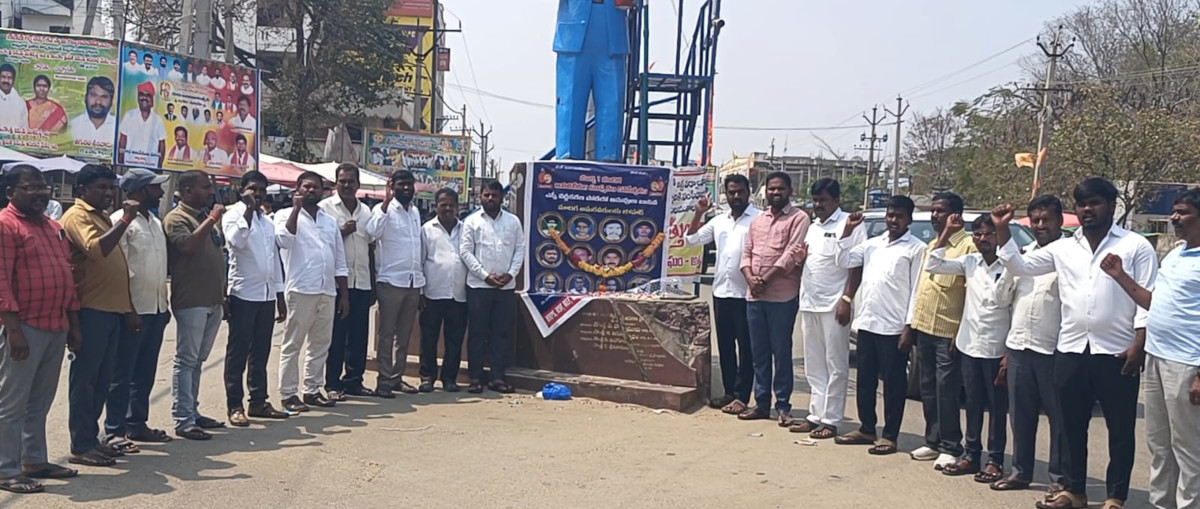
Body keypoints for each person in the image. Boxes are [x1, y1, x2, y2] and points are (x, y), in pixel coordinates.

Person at [993, 177, 1158, 509]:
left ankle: (1115, 496)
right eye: (1082, 204)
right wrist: (1002, 229)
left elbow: (1148, 298)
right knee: (1070, 427)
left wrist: (1139, 344)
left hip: (1117, 351)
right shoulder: (1064, 248)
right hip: (1071, 350)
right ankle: (1074, 491)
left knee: (1120, 430)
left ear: (1111, 206)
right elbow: (1020, 267)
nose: (1087, 209)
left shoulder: (1135, 245)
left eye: (1094, 203)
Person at [1097, 188, 1200, 509]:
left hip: (1188, 364)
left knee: (1189, 446)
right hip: (1157, 357)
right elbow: (1155, 303)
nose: (1174, 218)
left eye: (1183, 212)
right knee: (1160, 443)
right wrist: (1120, 276)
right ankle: (1162, 503)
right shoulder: (1176, 254)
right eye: (1174, 211)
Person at [0, 165, 82, 494]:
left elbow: (67, 274)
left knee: (40, 400)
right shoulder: (6, 225)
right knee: (12, 403)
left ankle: (34, 460)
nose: (40, 193)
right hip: (24, 326)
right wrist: (14, 331)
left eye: (43, 187)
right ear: (11, 193)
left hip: (55, 324)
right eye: (30, 187)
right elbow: (2, 281)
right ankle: (5, 469)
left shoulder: (52, 226)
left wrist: (73, 324)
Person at [833, 197, 927, 455]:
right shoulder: (872, 244)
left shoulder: (917, 248)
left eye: (899, 216)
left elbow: (917, 290)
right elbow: (843, 260)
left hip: (894, 327)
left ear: (909, 219)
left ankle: (889, 435)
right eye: (890, 215)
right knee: (865, 380)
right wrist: (847, 232)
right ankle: (866, 428)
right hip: (868, 322)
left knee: (894, 384)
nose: (893, 220)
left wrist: (909, 327)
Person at [925, 214, 1015, 482]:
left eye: (988, 234)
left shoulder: (1012, 265)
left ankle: (995, 460)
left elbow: (1012, 307)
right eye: (978, 234)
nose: (982, 239)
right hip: (969, 345)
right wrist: (947, 232)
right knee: (973, 404)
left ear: (998, 236)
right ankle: (971, 455)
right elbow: (933, 264)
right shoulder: (970, 262)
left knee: (997, 408)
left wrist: (1009, 353)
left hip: (997, 347)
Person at [59, 164, 136, 467]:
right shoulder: (77, 215)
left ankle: (91, 440)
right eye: (101, 187)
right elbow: (95, 249)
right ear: (83, 190)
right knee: (86, 380)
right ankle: (81, 444)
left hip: (111, 310)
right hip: (90, 309)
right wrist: (125, 219)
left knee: (103, 380)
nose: (108, 193)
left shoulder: (102, 216)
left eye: (111, 187)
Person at [990, 195, 1067, 495]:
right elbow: (1000, 299)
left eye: (1046, 219)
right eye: (1035, 220)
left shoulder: (1069, 255)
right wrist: (1013, 265)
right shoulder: (1021, 256)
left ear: (1060, 220)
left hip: (1054, 349)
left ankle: (1059, 478)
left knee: (1059, 419)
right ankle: (1020, 473)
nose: (1040, 225)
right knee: (1021, 416)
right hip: (1020, 347)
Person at [96, 168, 172, 449]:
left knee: (145, 372)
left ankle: (137, 424)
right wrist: (129, 310)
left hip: (156, 308)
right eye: (155, 188)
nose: (161, 193)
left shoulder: (154, 221)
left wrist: (164, 307)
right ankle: (114, 429)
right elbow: (121, 271)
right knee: (122, 374)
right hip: (132, 310)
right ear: (140, 190)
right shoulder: (120, 221)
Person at [792, 178, 865, 438]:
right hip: (810, 302)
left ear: (836, 200)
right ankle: (815, 415)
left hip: (835, 305)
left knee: (836, 364)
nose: (818, 205)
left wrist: (847, 299)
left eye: (823, 200)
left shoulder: (851, 223)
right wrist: (800, 260)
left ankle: (831, 419)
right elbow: (810, 263)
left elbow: (856, 265)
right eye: (815, 200)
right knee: (814, 364)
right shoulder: (813, 227)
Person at [907, 192, 975, 469]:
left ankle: (950, 445)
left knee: (946, 389)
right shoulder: (932, 245)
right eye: (933, 211)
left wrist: (961, 331)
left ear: (956, 215)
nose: (935, 216)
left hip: (949, 330)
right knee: (928, 387)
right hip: (925, 326)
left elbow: (971, 293)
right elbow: (920, 287)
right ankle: (932, 440)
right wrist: (911, 324)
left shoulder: (969, 246)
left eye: (941, 211)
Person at [736, 171, 810, 425]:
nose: (775, 193)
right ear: (765, 191)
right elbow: (746, 253)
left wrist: (764, 280)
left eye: (780, 189)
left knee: (781, 352)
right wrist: (750, 278)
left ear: (790, 191)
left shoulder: (799, 218)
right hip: (754, 296)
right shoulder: (758, 221)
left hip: (782, 297)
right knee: (759, 353)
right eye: (771, 189)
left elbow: (790, 255)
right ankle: (761, 404)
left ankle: (783, 406)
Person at [274, 171, 351, 412]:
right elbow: (284, 241)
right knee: (293, 344)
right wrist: (296, 210)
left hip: (327, 290)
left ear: (322, 191)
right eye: (306, 186)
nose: (311, 190)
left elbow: (339, 259)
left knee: (320, 344)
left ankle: (312, 390)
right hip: (301, 289)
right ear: (297, 189)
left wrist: (344, 294)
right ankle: (288, 394)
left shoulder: (329, 221)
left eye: (315, 187)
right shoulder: (284, 215)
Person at [684, 174, 759, 415]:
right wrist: (699, 213)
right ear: (726, 194)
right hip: (722, 291)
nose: (736, 196)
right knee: (726, 346)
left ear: (748, 192)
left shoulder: (759, 220)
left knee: (746, 348)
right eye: (731, 192)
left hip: (747, 293)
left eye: (740, 192)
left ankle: (742, 396)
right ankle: (729, 392)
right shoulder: (719, 221)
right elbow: (691, 240)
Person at [162, 171, 229, 440]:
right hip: (191, 300)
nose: (210, 192)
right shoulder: (177, 218)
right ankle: (183, 419)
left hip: (213, 299)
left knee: (198, 361)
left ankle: (192, 411)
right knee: (186, 360)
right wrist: (212, 218)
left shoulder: (204, 217)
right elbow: (187, 246)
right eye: (204, 187)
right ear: (188, 190)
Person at [222, 171, 289, 426]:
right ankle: (235, 405)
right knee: (238, 353)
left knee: (261, 352)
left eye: (262, 190)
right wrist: (249, 211)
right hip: (243, 293)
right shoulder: (233, 215)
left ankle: (259, 401)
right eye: (253, 189)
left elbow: (274, 260)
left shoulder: (268, 222)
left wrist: (279, 294)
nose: (258, 194)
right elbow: (236, 243)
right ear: (242, 190)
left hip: (266, 294)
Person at [460, 180, 526, 394]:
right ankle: (475, 378)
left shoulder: (513, 222)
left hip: (505, 288)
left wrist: (511, 274)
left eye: (494, 195)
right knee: (477, 334)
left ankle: (497, 377)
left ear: (502, 197)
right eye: (486, 195)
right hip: (479, 286)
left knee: (501, 333)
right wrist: (484, 276)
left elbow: (520, 250)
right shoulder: (471, 221)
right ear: (480, 196)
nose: (490, 198)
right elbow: (465, 251)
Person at [365, 170, 424, 397]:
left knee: (404, 336)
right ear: (392, 186)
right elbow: (372, 233)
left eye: (409, 184)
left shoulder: (415, 212)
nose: (406, 188)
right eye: (401, 185)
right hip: (390, 281)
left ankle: (397, 378)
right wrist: (385, 202)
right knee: (387, 334)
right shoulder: (383, 210)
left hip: (412, 282)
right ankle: (383, 381)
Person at [320, 164, 376, 400]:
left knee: (359, 335)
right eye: (342, 181)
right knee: (336, 336)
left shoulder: (366, 211)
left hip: (361, 281)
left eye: (350, 181)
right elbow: (320, 243)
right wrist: (341, 231)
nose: (346, 185)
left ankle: (354, 381)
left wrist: (372, 281)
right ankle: (332, 384)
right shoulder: (325, 208)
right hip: (337, 284)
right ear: (336, 183)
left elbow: (371, 246)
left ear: (358, 184)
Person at [419, 188, 468, 392]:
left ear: (457, 207)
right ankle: (427, 377)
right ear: (436, 206)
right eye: (443, 205)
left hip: (459, 294)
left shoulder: (466, 229)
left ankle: (449, 378)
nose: (447, 208)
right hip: (433, 292)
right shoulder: (426, 229)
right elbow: (420, 261)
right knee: (428, 338)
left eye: (451, 205)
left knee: (454, 340)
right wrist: (420, 292)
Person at [118, 81, 167, 168]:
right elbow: (122, 141)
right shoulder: (129, 115)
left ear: (152, 100)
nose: (144, 97)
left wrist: (159, 166)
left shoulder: (158, 120)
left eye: (148, 95)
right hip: (130, 164)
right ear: (138, 97)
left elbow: (162, 145)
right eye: (141, 94)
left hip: (151, 166)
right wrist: (120, 162)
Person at [69, 77, 117, 147]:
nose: (98, 101)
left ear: (111, 101)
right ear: (85, 98)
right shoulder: (72, 126)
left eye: (104, 97)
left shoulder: (118, 128)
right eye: (94, 95)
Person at [0, 64, 29, 130]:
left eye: (10, 78)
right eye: (3, 77)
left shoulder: (21, 103)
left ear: (13, 81)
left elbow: (24, 127)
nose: (6, 80)